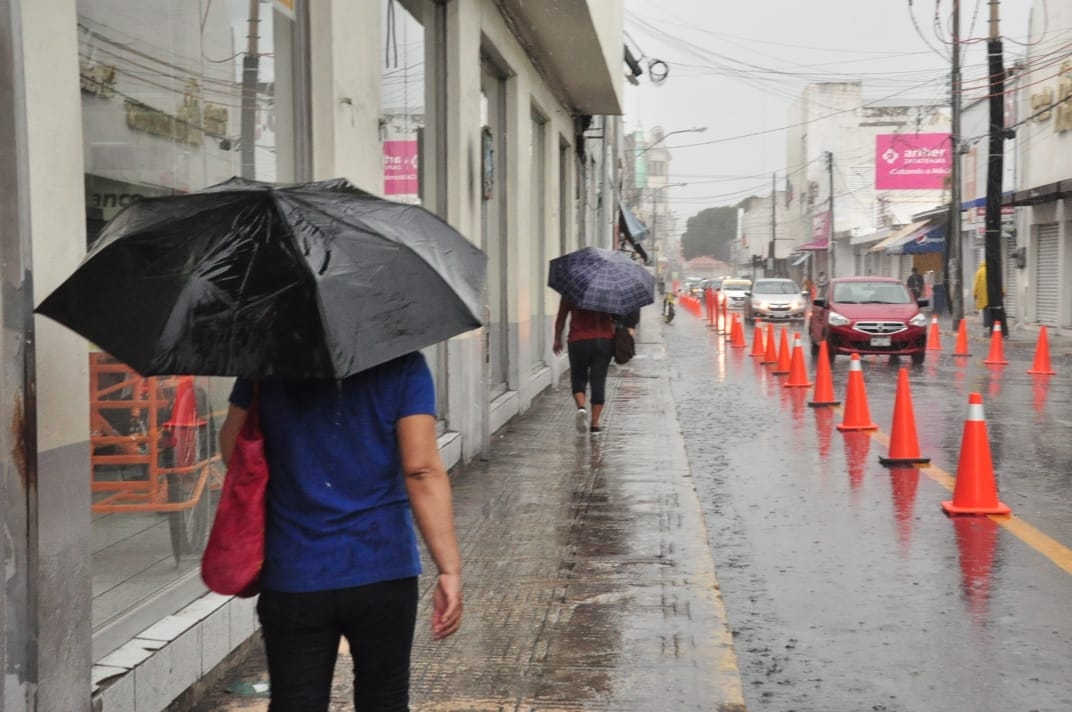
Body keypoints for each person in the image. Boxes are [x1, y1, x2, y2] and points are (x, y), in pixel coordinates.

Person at [218, 353, 463, 710]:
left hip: (294, 571)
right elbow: (421, 469)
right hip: (382, 568)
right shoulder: (403, 364)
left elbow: (234, 451)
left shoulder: (265, 365)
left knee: (296, 702)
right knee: (384, 700)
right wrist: (449, 569)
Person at [553, 296, 615, 435]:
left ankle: (581, 407)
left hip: (578, 340)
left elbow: (561, 316)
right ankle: (595, 424)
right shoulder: (608, 291)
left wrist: (557, 338)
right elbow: (618, 316)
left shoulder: (572, 291)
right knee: (598, 380)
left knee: (578, 378)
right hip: (603, 340)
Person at [973, 261, 991, 335]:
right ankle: (992, 325)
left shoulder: (979, 272)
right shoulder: (992, 270)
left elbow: (976, 284)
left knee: (986, 310)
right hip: (992, 295)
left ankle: (986, 326)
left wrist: (975, 294)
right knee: (992, 310)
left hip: (983, 296)